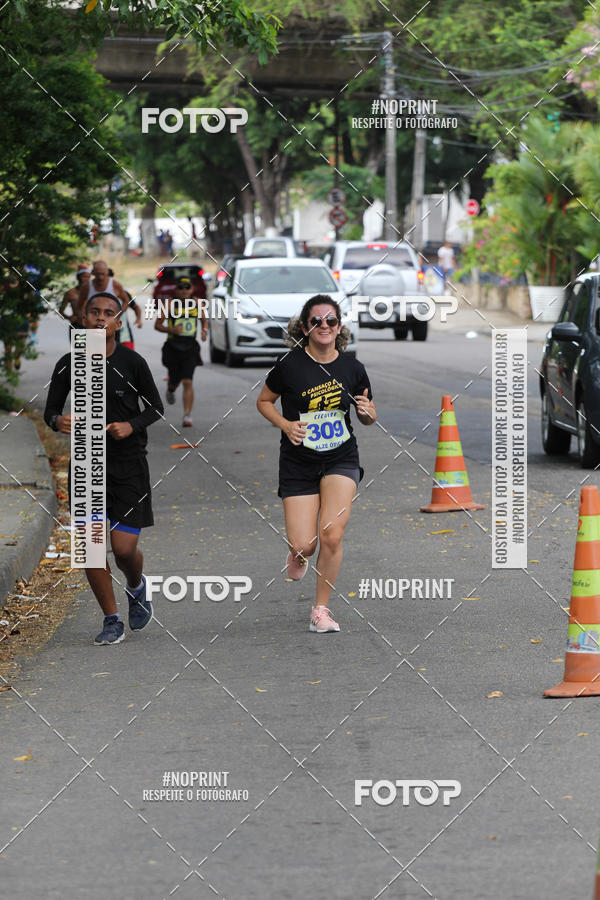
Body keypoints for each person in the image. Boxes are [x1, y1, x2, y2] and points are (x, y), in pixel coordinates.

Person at [44, 292, 164, 645]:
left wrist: (131, 425)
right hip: (86, 461)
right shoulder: (70, 363)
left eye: (108, 313)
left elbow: (155, 408)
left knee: (124, 549)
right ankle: (111, 619)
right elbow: (51, 411)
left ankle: (136, 586)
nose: (100, 318)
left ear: (118, 320)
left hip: (128, 465)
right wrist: (57, 420)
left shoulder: (132, 362)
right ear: (81, 318)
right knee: (91, 547)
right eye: (93, 312)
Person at [256, 294, 376, 634]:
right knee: (305, 544)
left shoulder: (353, 368)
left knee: (331, 534)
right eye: (316, 321)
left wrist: (368, 414)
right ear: (305, 327)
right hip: (298, 462)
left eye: (331, 321)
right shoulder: (289, 365)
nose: (324, 326)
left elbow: (367, 414)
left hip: (341, 457)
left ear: (339, 327)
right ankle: (298, 553)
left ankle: (320, 610)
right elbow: (264, 401)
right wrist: (286, 424)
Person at [155, 275, 207, 428]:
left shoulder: (197, 303)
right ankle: (171, 387)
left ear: (191, 289)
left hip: (190, 347)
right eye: (181, 287)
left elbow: (204, 321)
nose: (184, 290)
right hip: (173, 347)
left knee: (188, 380)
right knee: (176, 378)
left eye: (187, 287)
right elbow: (157, 325)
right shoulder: (169, 304)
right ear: (176, 289)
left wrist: (204, 331)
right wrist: (171, 329)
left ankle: (187, 415)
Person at [75, 260, 130, 325]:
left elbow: (126, 301)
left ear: (107, 272)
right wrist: (84, 318)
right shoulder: (87, 286)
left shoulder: (115, 285)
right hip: (93, 325)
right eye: (98, 274)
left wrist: (118, 314)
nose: (100, 277)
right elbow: (79, 306)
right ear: (93, 272)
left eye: (102, 274)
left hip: (110, 324)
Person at [59, 266, 91, 336]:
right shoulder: (70, 293)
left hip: (92, 327)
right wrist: (69, 317)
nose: (87, 279)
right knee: (79, 347)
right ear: (78, 277)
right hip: (77, 326)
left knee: (93, 347)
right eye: (84, 277)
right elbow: (60, 311)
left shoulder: (93, 293)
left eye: (88, 277)